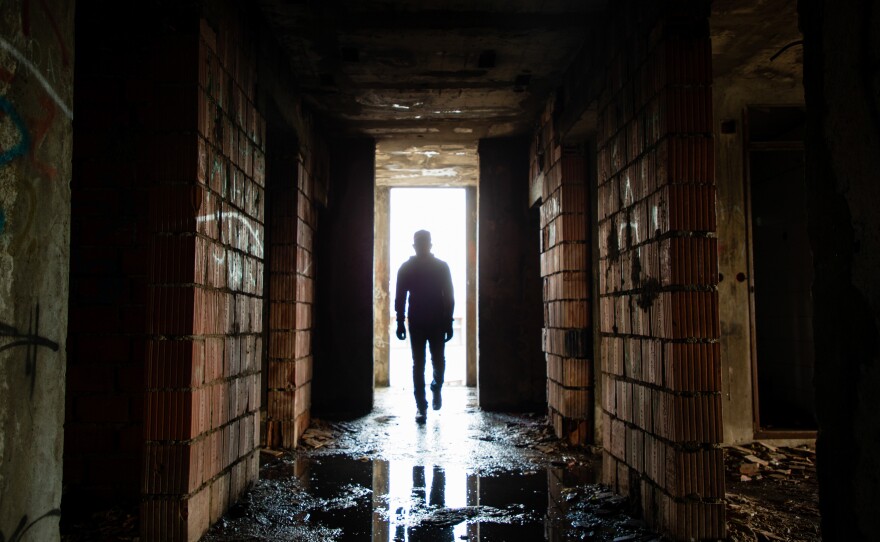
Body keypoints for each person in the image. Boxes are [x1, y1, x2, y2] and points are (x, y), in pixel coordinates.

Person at [395, 230, 454, 423]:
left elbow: (450, 297)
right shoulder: (407, 268)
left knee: (437, 361)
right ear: (415, 246)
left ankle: (436, 388)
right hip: (419, 323)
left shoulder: (441, 268)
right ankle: (421, 406)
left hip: (435, 322)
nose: (421, 247)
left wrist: (448, 321)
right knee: (419, 364)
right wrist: (399, 322)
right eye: (419, 244)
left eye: (424, 243)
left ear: (429, 245)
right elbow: (400, 297)